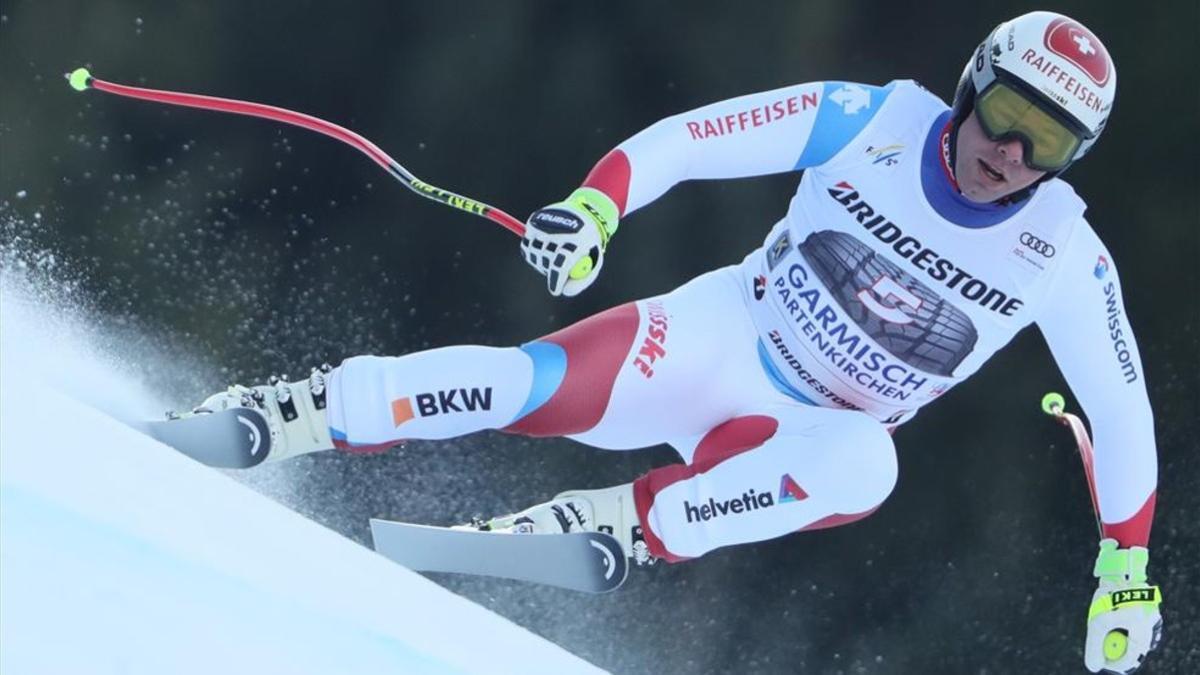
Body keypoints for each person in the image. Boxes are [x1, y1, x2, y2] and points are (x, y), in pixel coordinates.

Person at [196, 11, 1160, 673]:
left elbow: (1121, 412)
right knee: (526, 386)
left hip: (804, 438)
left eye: (1051, 142)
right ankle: (285, 414)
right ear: (972, 86)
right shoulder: (874, 120)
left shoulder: (1063, 254)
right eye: (1005, 117)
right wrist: (596, 207)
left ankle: (620, 526)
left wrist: (1124, 572)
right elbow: (697, 137)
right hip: (724, 336)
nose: (1012, 155)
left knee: (871, 463)